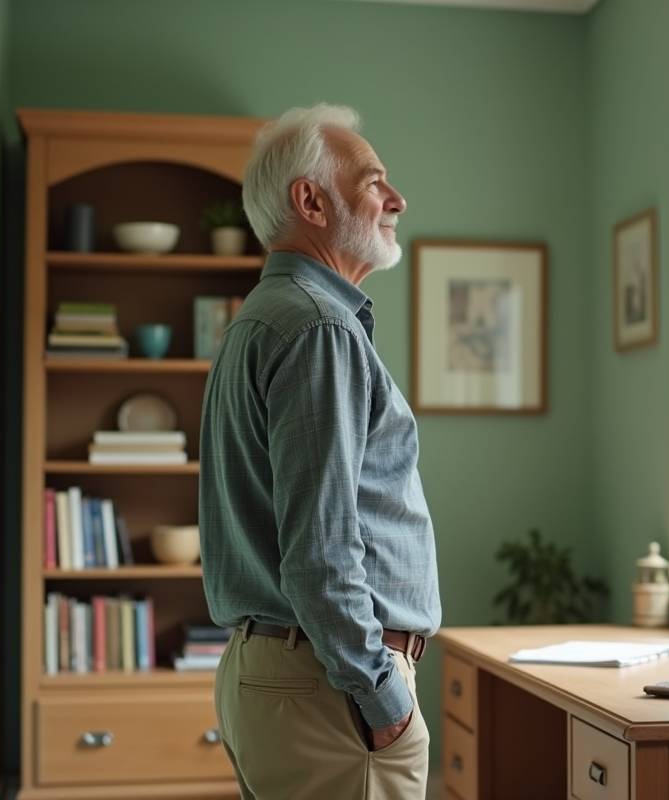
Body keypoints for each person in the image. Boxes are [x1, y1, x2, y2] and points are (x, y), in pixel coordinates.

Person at [198, 104, 442, 800]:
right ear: (309, 200)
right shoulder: (318, 330)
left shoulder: (265, 318)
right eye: (374, 182)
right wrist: (383, 700)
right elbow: (323, 551)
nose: (397, 200)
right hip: (331, 692)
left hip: (286, 679)